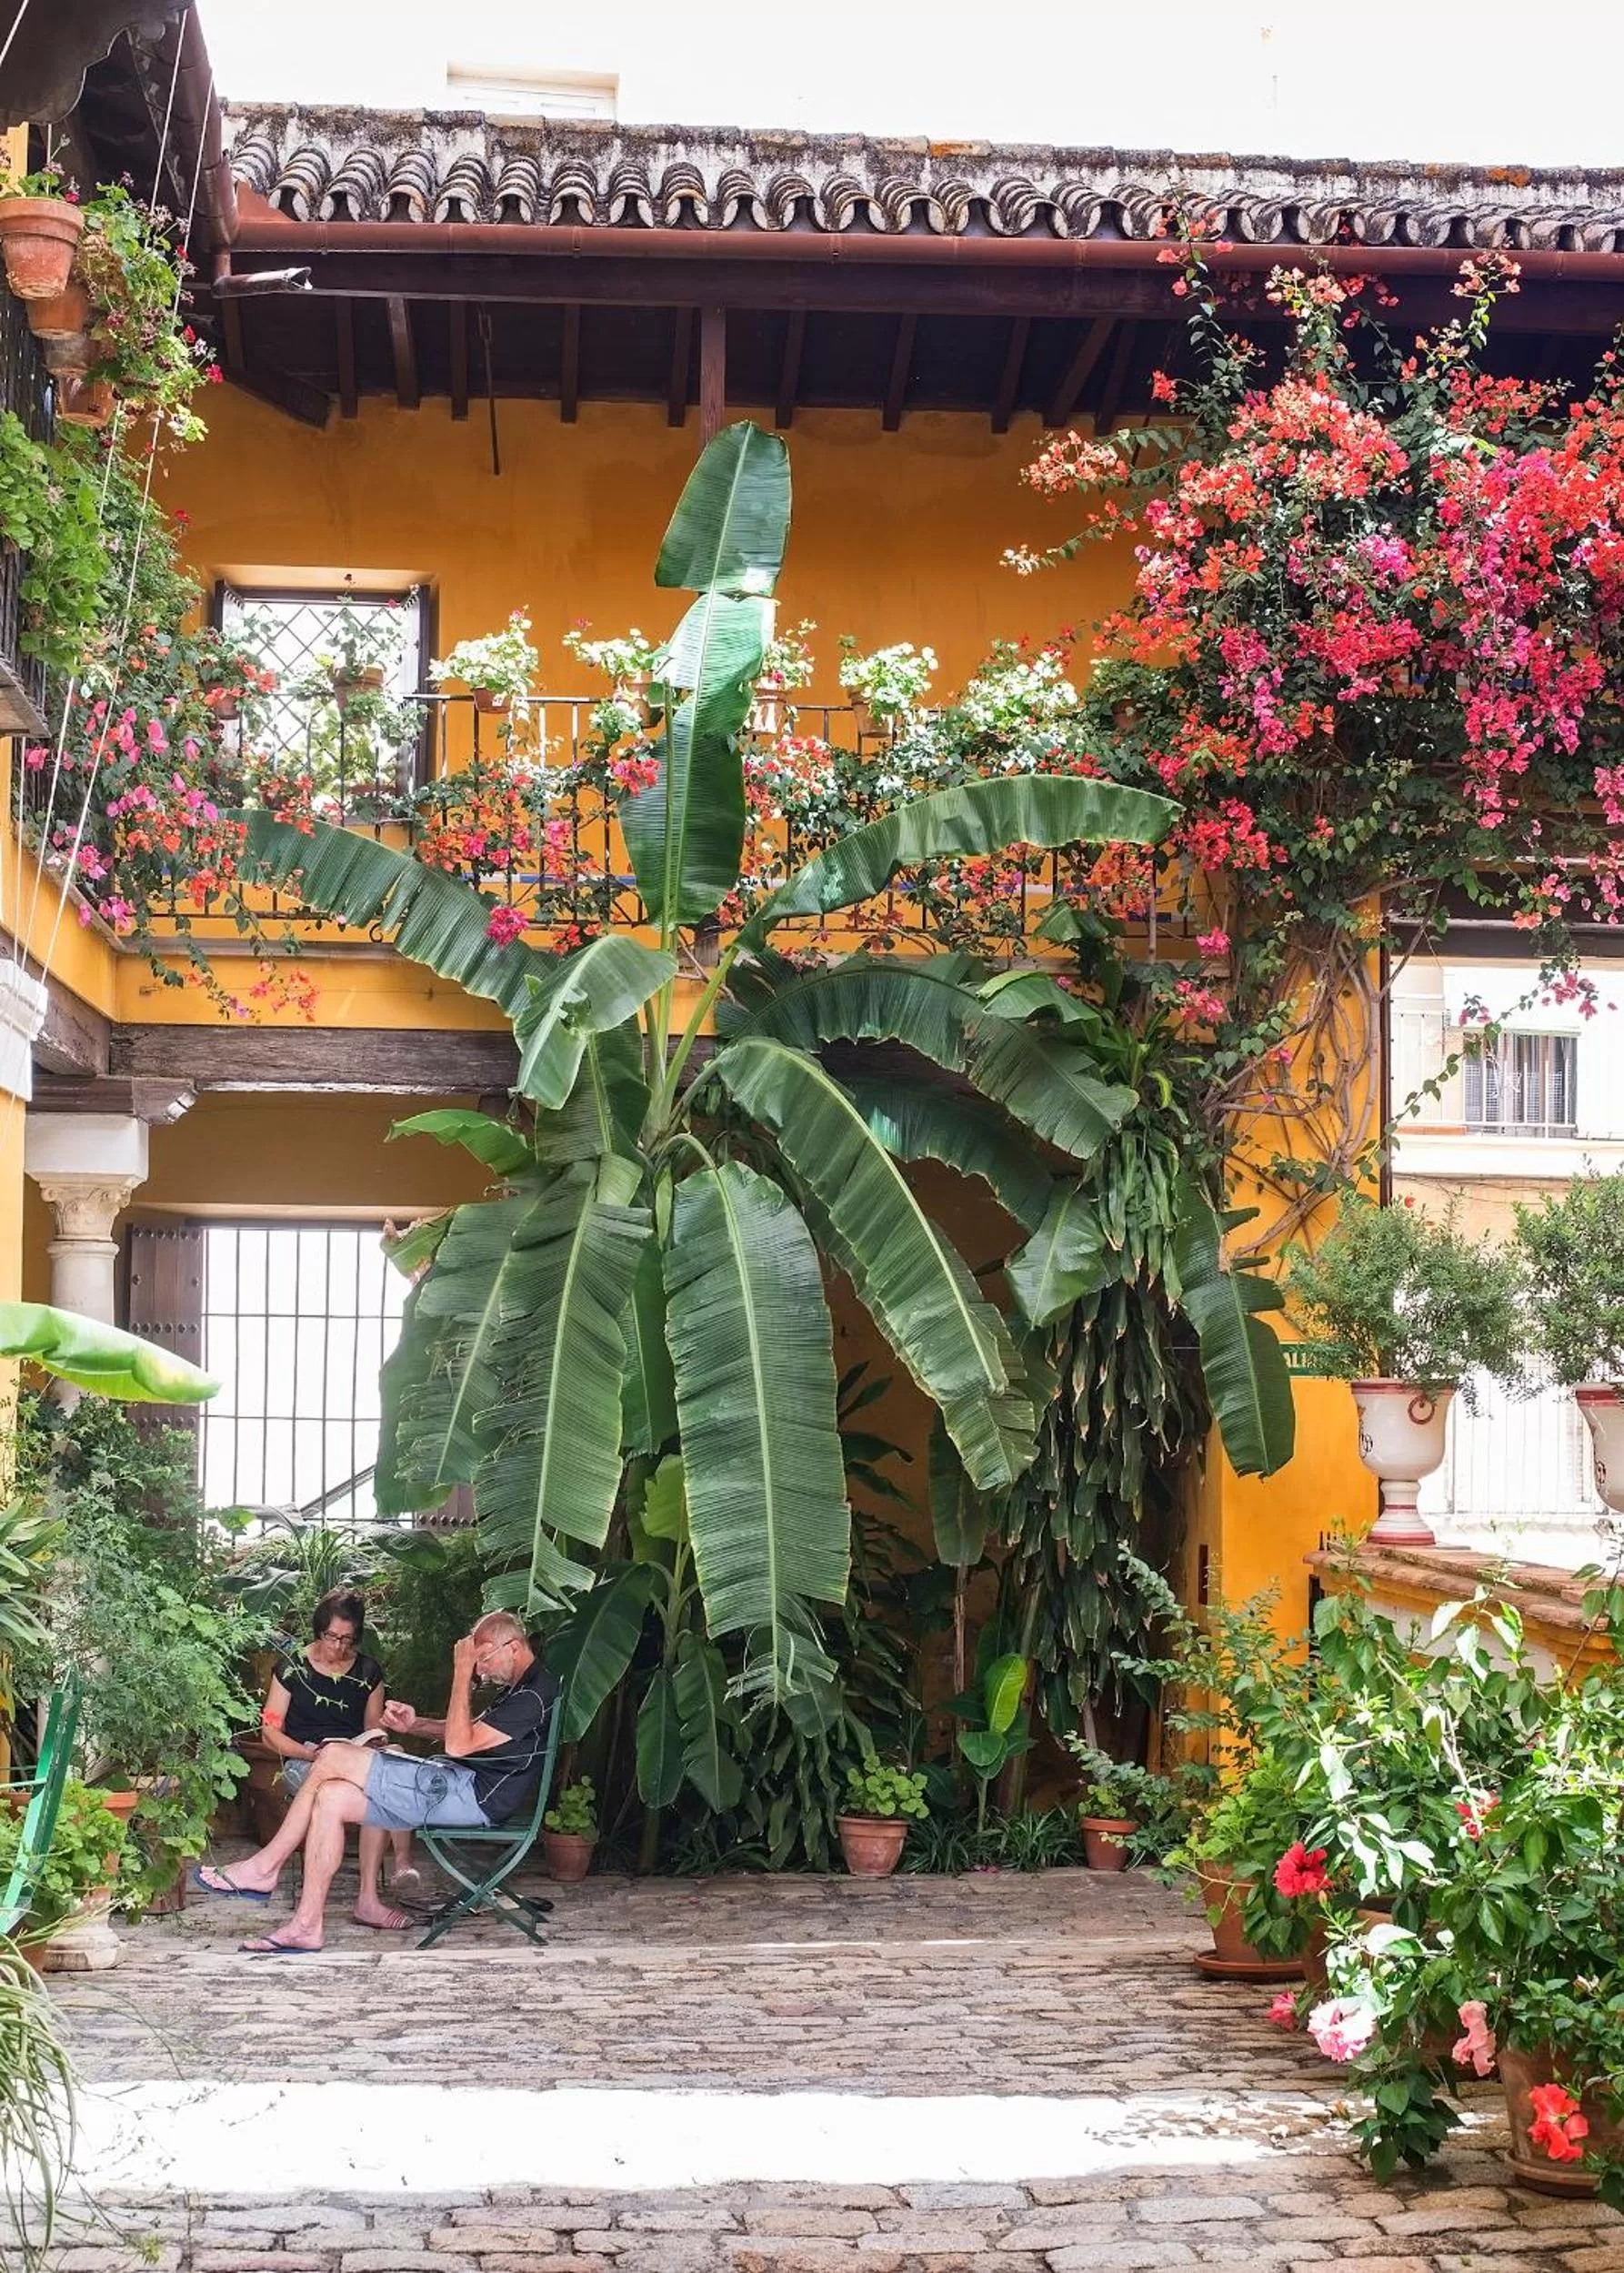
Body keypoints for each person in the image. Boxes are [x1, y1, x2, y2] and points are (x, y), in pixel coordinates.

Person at [196, 1611, 557, 1954]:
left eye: (484, 1660)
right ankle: (306, 1925)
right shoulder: (520, 1689)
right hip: (459, 1786)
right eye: (476, 1663)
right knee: (332, 1795)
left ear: (512, 1647)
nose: (481, 1670)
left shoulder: (531, 1695)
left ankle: (265, 1867)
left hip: (471, 1796)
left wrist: (461, 1674)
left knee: (334, 1756)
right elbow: (473, 1734)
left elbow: (460, 1744)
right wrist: (415, 1725)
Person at [249, 1585, 420, 1919]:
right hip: (307, 1758)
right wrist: (314, 1756)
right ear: (319, 1630)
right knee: (375, 1786)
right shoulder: (291, 1668)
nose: (338, 1646)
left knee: (394, 1761)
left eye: (347, 1639)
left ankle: (391, 1874)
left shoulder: (368, 1672)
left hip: (355, 1758)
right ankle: (377, 1890)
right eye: (331, 1637)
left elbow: (374, 1729)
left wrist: (378, 1738)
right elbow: (270, 1731)